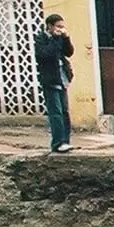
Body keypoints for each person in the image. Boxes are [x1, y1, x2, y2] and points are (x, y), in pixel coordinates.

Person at [34, 12, 74, 153]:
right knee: (55, 112)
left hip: (62, 78)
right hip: (50, 79)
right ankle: (57, 143)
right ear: (50, 26)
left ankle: (66, 141)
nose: (60, 29)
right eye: (58, 26)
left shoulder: (60, 38)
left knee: (64, 112)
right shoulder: (41, 38)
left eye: (62, 26)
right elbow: (46, 54)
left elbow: (69, 52)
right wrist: (55, 39)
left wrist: (66, 38)